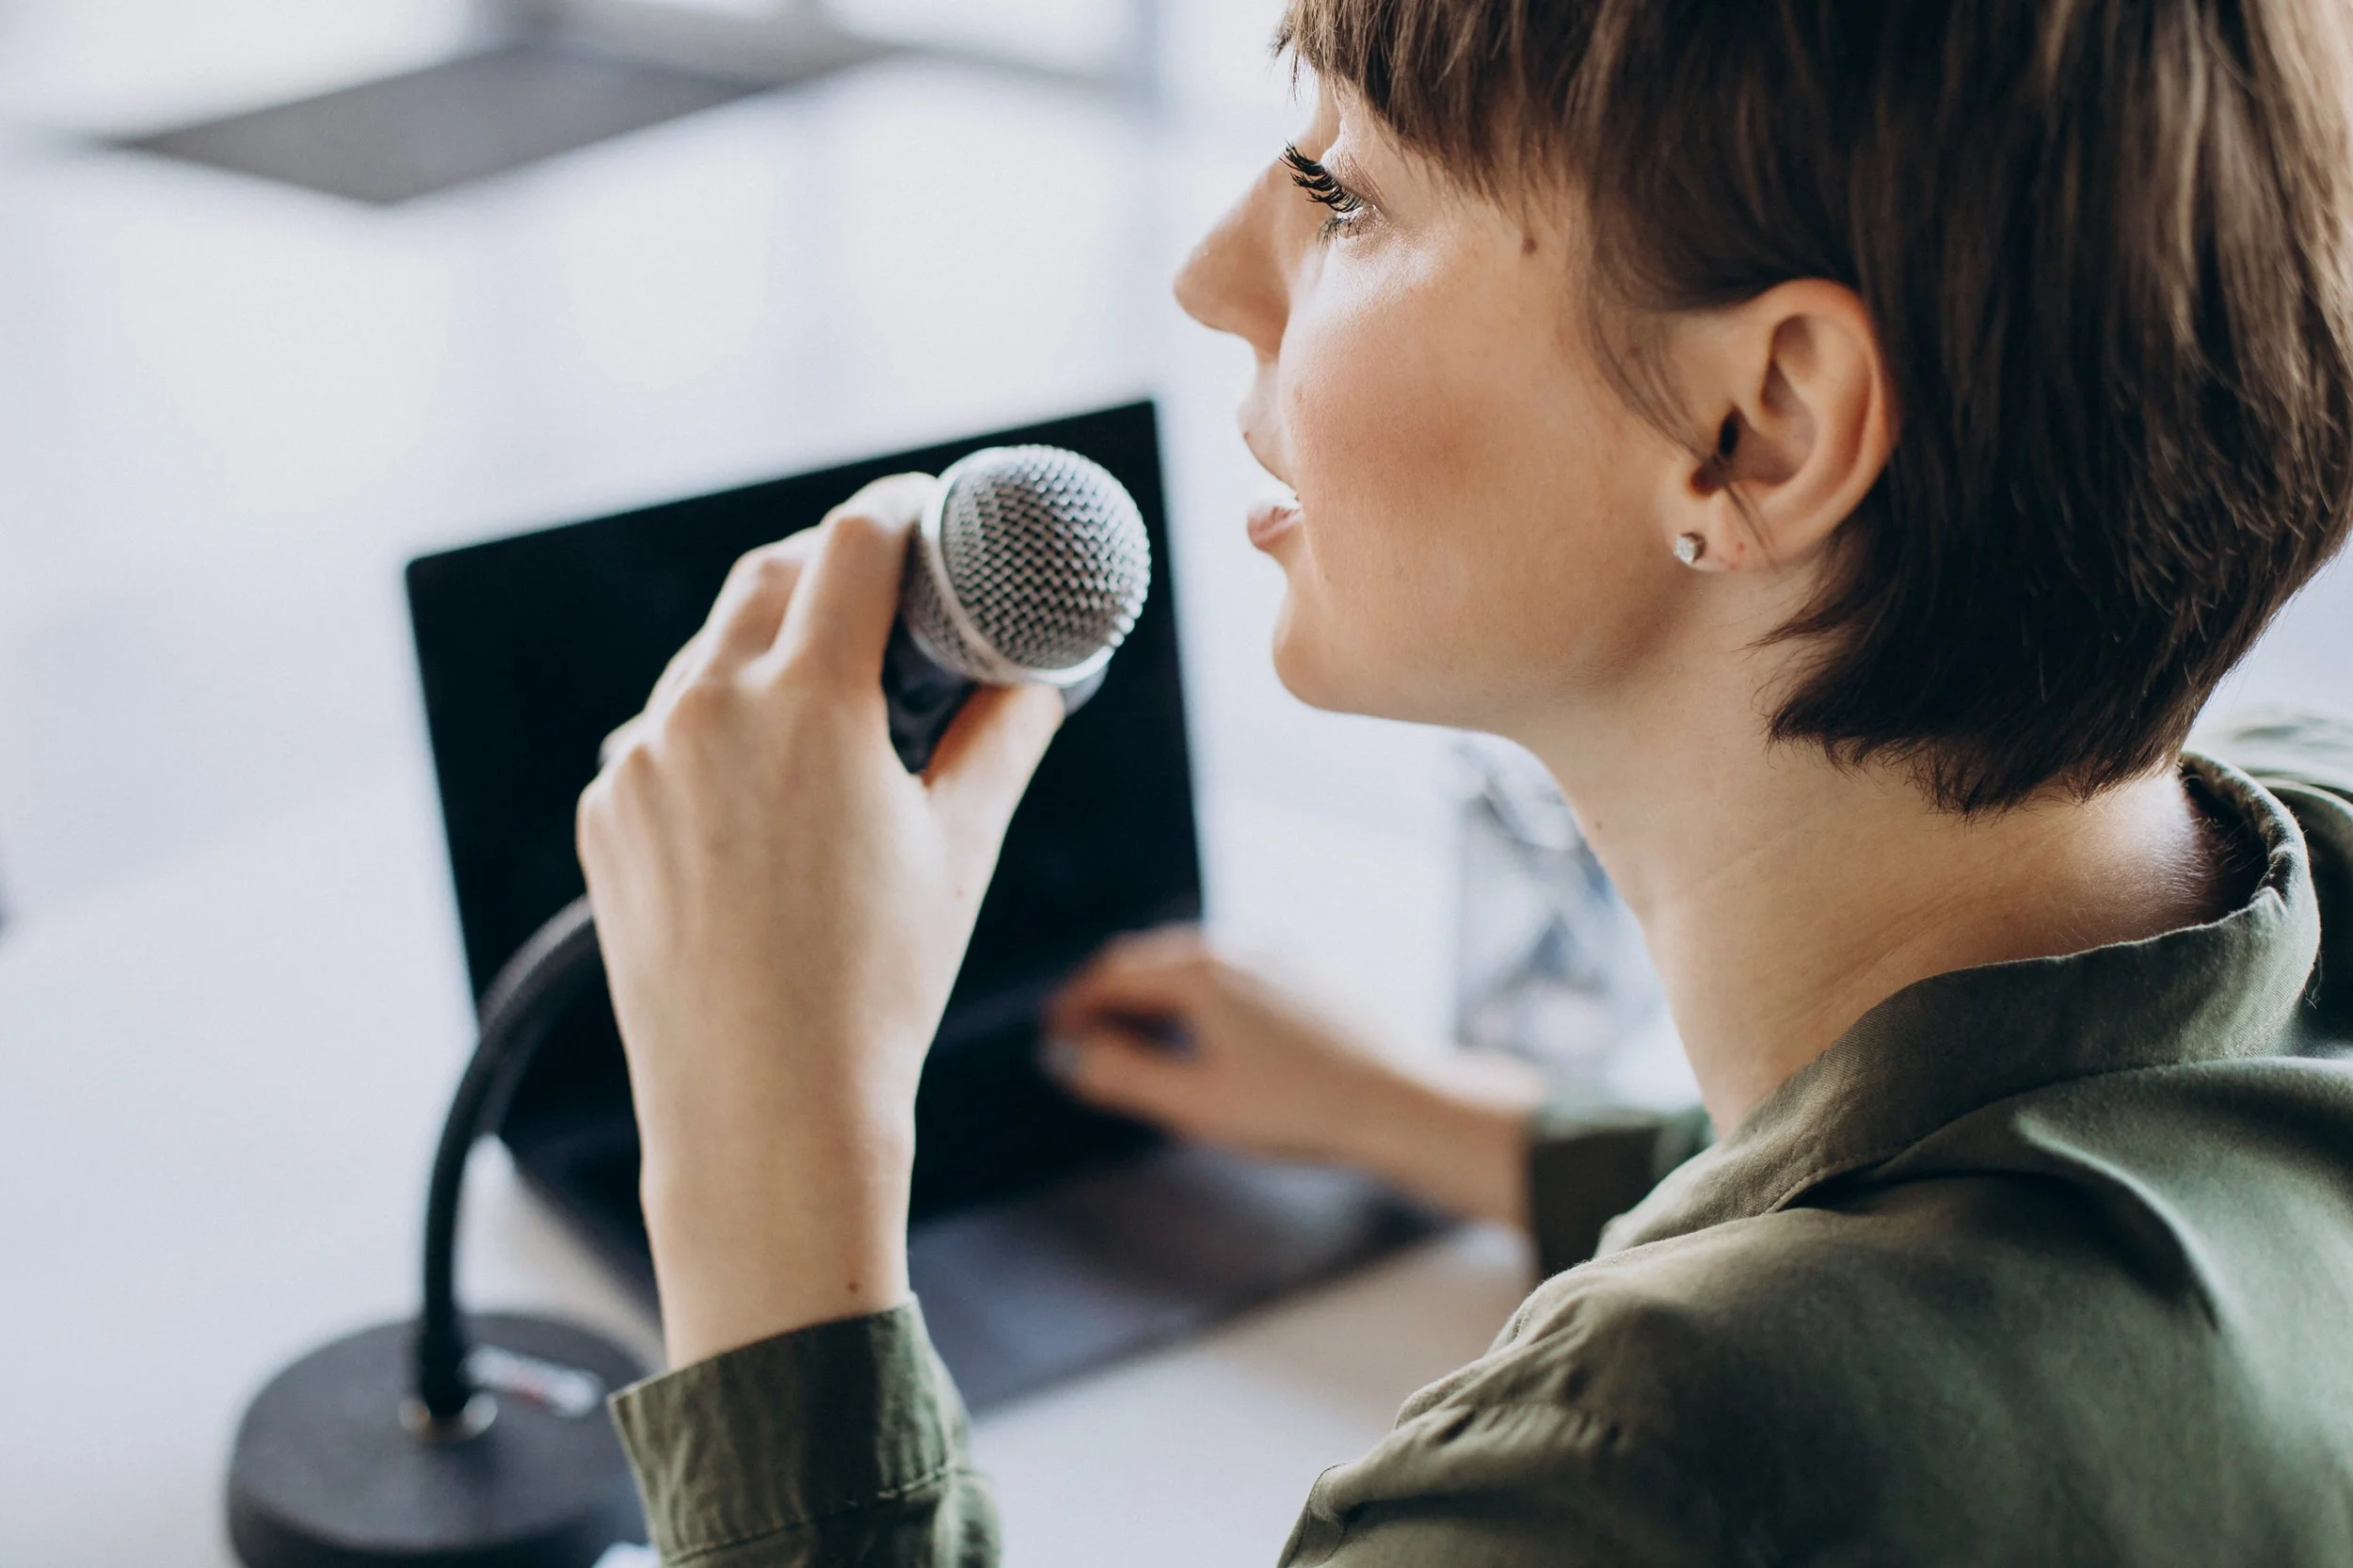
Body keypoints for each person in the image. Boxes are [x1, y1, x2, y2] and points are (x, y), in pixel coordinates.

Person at [575, 1, 2353, 1561]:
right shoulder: (2291, 860)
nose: (1212, 269)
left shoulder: (1632, 1484)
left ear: (1764, 425)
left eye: (1347, 190)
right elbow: (2012, 1169)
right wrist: (1462, 1127)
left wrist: (768, 1205)